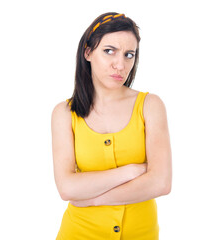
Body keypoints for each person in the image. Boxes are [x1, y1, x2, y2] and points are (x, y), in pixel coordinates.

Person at [51, 12, 172, 240]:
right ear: (88, 52)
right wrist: (131, 171)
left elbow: (161, 182)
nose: (120, 64)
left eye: (129, 55)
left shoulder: (150, 105)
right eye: (109, 51)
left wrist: (94, 199)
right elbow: (67, 188)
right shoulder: (64, 113)